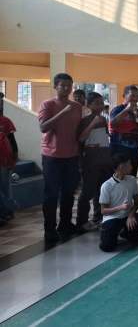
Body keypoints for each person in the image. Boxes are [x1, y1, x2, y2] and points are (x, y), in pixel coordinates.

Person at [38, 73, 83, 243]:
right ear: (55, 86)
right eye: (62, 85)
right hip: (52, 156)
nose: (66, 88)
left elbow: (78, 130)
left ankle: (65, 224)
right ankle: (49, 229)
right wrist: (63, 112)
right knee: (51, 194)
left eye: (69, 85)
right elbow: (43, 127)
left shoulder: (77, 106)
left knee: (69, 193)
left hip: (72, 155)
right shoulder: (47, 104)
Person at [98, 153, 138, 252]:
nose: (132, 167)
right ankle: (113, 233)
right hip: (112, 219)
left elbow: (137, 203)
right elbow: (103, 211)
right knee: (107, 247)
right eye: (129, 164)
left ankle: (126, 233)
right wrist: (120, 208)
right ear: (121, 166)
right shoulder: (107, 186)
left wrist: (131, 216)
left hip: (128, 217)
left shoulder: (132, 180)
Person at [76, 92, 113, 231]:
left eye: (101, 103)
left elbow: (104, 138)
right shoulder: (84, 120)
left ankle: (98, 217)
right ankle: (81, 221)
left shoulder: (103, 119)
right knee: (87, 191)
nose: (100, 106)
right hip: (91, 161)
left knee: (102, 191)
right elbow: (81, 139)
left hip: (104, 159)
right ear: (88, 105)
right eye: (96, 103)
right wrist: (93, 123)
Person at [109, 85, 138, 173]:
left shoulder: (137, 112)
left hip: (133, 152)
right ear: (124, 96)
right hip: (119, 151)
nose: (135, 99)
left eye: (137, 96)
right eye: (132, 95)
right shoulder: (117, 110)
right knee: (119, 177)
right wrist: (127, 110)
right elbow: (112, 124)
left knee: (131, 178)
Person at [0, 97, 18, 224]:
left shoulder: (5, 121)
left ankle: (8, 211)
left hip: (4, 160)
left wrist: (14, 158)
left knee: (5, 186)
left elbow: (12, 140)